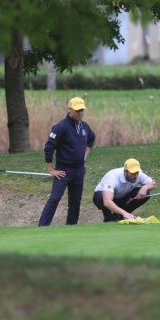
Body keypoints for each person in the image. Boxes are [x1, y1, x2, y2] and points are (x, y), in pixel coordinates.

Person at [38, 97, 96, 226]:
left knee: (75, 202)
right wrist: (51, 169)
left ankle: (71, 228)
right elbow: (49, 147)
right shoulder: (60, 127)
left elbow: (91, 138)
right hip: (63, 171)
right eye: (77, 110)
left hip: (79, 170)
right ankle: (42, 226)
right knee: (55, 198)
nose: (80, 113)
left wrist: (85, 153)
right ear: (70, 109)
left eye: (82, 110)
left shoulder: (84, 126)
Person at [92, 158, 156, 222]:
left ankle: (120, 216)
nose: (136, 175)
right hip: (102, 198)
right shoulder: (113, 177)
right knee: (101, 197)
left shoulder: (138, 175)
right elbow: (107, 201)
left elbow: (153, 184)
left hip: (120, 196)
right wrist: (125, 213)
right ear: (125, 171)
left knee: (146, 193)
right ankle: (109, 218)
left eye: (137, 172)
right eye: (133, 173)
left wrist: (144, 188)